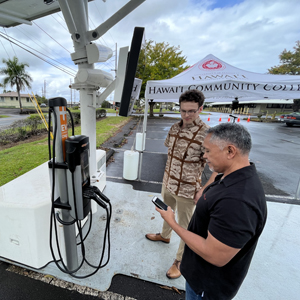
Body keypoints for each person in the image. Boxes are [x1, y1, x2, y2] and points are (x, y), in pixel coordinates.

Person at [155, 123, 267, 299]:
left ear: (230, 151)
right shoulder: (233, 176)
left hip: (206, 288)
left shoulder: (237, 201)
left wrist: (172, 222)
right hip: (200, 278)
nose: (204, 156)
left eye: (207, 151)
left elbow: (214, 254)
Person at [145, 89, 217, 279]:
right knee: (165, 211)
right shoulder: (174, 128)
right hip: (168, 182)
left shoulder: (207, 135)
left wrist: (204, 189)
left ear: (200, 109)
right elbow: (170, 153)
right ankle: (165, 235)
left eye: (192, 111)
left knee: (186, 228)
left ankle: (180, 260)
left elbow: (217, 167)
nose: (186, 115)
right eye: (183, 110)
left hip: (187, 189)